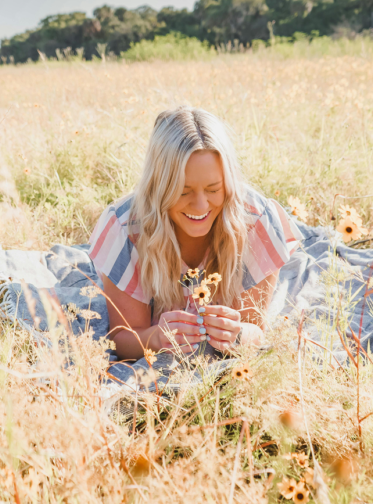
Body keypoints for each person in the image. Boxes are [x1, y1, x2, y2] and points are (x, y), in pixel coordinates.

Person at [88, 106, 303, 361]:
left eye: (213, 189)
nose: (201, 207)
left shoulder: (257, 223)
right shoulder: (125, 230)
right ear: (158, 186)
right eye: (183, 191)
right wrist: (155, 338)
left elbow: (256, 331)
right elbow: (122, 339)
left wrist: (238, 335)